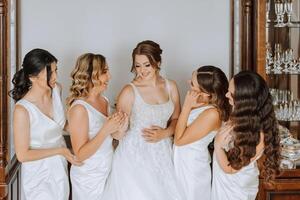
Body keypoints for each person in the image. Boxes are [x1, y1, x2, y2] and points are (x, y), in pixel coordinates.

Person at [102, 40, 183, 200]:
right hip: (133, 156)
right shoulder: (128, 91)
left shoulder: (171, 86)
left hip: (162, 153)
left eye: (147, 65)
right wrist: (121, 128)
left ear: (158, 62)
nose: (142, 70)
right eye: (137, 65)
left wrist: (165, 133)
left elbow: (176, 119)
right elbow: (117, 135)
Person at [10, 48, 81, 200]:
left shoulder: (57, 89)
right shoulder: (22, 110)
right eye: (50, 73)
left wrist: (90, 127)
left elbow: (59, 126)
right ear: (32, 77)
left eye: (56, 70)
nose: (55, 76)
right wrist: (60, 151)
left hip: (60, 168)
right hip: (38, 174)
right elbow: (22, 155)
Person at [67, 53, 128, 200]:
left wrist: (121, 127)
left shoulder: (104, 101)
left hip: (107, 168)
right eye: (105, 72)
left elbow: (113, 137)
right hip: (88, 177)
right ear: (92, 75)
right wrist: (106, 129)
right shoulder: (79, 109)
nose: (110, 76)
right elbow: (80, 154)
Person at [211, 71, 281, 200]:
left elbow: (232, 169)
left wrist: (218, 146)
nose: (226, 95)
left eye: (231, 93)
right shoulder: (240, 115)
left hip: (235, 187)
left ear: (244, 101)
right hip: (224, 179)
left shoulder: (258, 135)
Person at [174, 65, 231, 200]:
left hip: (192, 168)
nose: (188, 82)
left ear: (206, 93)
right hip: (182, 161)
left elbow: (179, 140)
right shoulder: (200, 104)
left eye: (192, 83)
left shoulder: (212, 113)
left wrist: (187, 107)